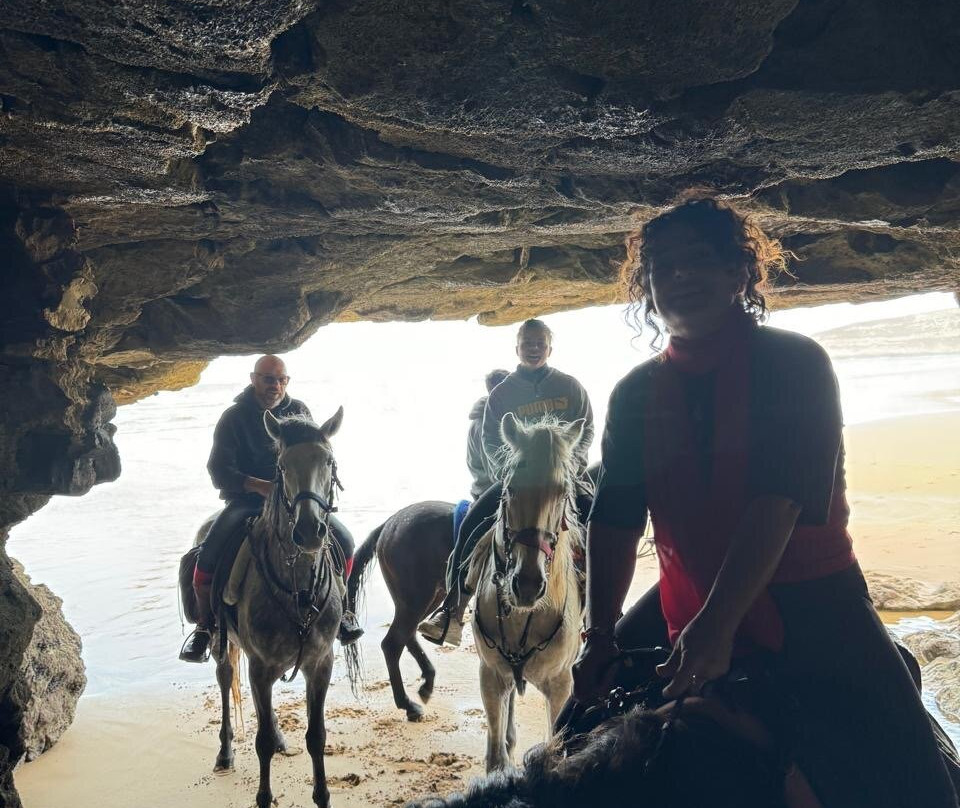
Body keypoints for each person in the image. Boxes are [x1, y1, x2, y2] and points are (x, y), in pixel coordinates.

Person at [572, 198, 959, 807]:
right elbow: (615, 516)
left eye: (698, 260)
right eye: (662, 268)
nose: (679, 278)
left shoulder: (795, 363)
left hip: (812, 595)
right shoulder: (633, 394)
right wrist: (597, 637)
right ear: (646, 290)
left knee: (920, 784)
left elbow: (776, 502)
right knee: (574, 730)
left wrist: (715, 629)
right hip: (686, 589)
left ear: (738, 274)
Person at [418, 319, 595, 646]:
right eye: (528, 342)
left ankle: (608, 614)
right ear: (517, 347)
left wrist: (567, 469)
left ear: (549, 348)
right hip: (517, 480)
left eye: (540, 342)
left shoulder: (571, 388)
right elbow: (490, 441)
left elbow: (584, 435)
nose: (534, 348)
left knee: (601, 522)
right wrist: (513, 472)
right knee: (472, 524)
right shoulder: (502, 395)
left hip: (562, 480)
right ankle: (452, 611)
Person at [179, 354, 364, 663]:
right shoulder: (234, 418)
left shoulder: (299, 411)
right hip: (247, 501)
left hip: (294, 501)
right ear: (254, 379)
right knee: (210, 550)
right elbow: (219, 470)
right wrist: (259, 486)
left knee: (344, 541)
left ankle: (342, 611)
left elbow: (311, 457)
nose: (275, 386)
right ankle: (204, 627)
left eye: (281, 380)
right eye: (268, 379)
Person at [467, 368, 510, 500]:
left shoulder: (504, 415)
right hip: (489, 490)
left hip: (505, 485)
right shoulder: (483, 424)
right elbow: (494, 472)